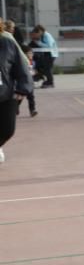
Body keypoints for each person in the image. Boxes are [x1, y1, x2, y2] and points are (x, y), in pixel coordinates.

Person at [0, 28, 34, 164]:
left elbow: (22, 66)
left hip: (6, 93)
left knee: (8, 129)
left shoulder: (7, 43)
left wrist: (22, 88)